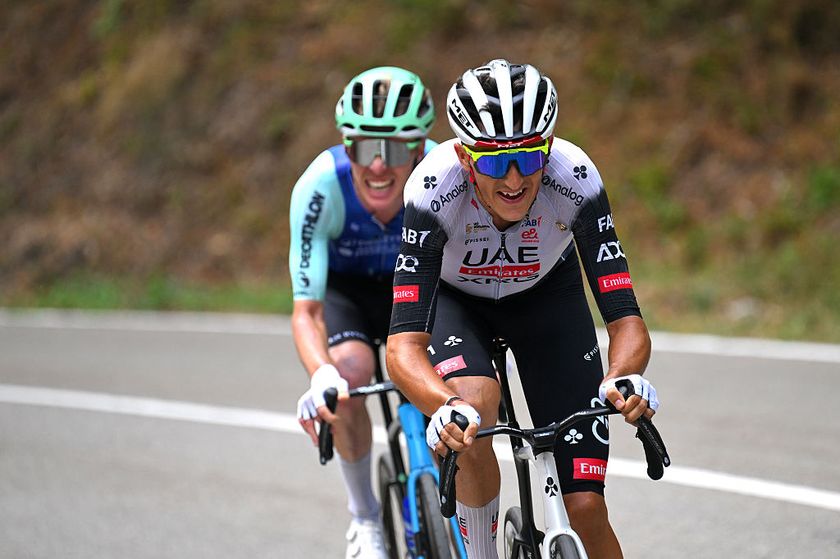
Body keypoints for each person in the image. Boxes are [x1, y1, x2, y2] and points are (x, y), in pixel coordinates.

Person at [385, 59, 659, 559]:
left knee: (587, 509)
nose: (514, 179)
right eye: (493, 163)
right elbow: (403, 347)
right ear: (465, 158)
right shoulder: (432, 190)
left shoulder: (575, 178)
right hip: (458, 303)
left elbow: (626, 319)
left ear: (548, 149)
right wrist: (443, 404)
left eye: (529, 158)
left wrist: (623, 375)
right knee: (471, 405)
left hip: (546, 297)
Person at [289, 66, 436, 559]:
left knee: (443, 368)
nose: (376, 166)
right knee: (348, 376)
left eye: (393, 150)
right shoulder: (320, 186)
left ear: (419, 149)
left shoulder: (444, 176)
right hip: (346, 294)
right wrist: (321, 372)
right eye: (362, 148)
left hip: (413, 286)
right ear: (345, 145)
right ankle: (365, 517)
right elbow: (307, 310)